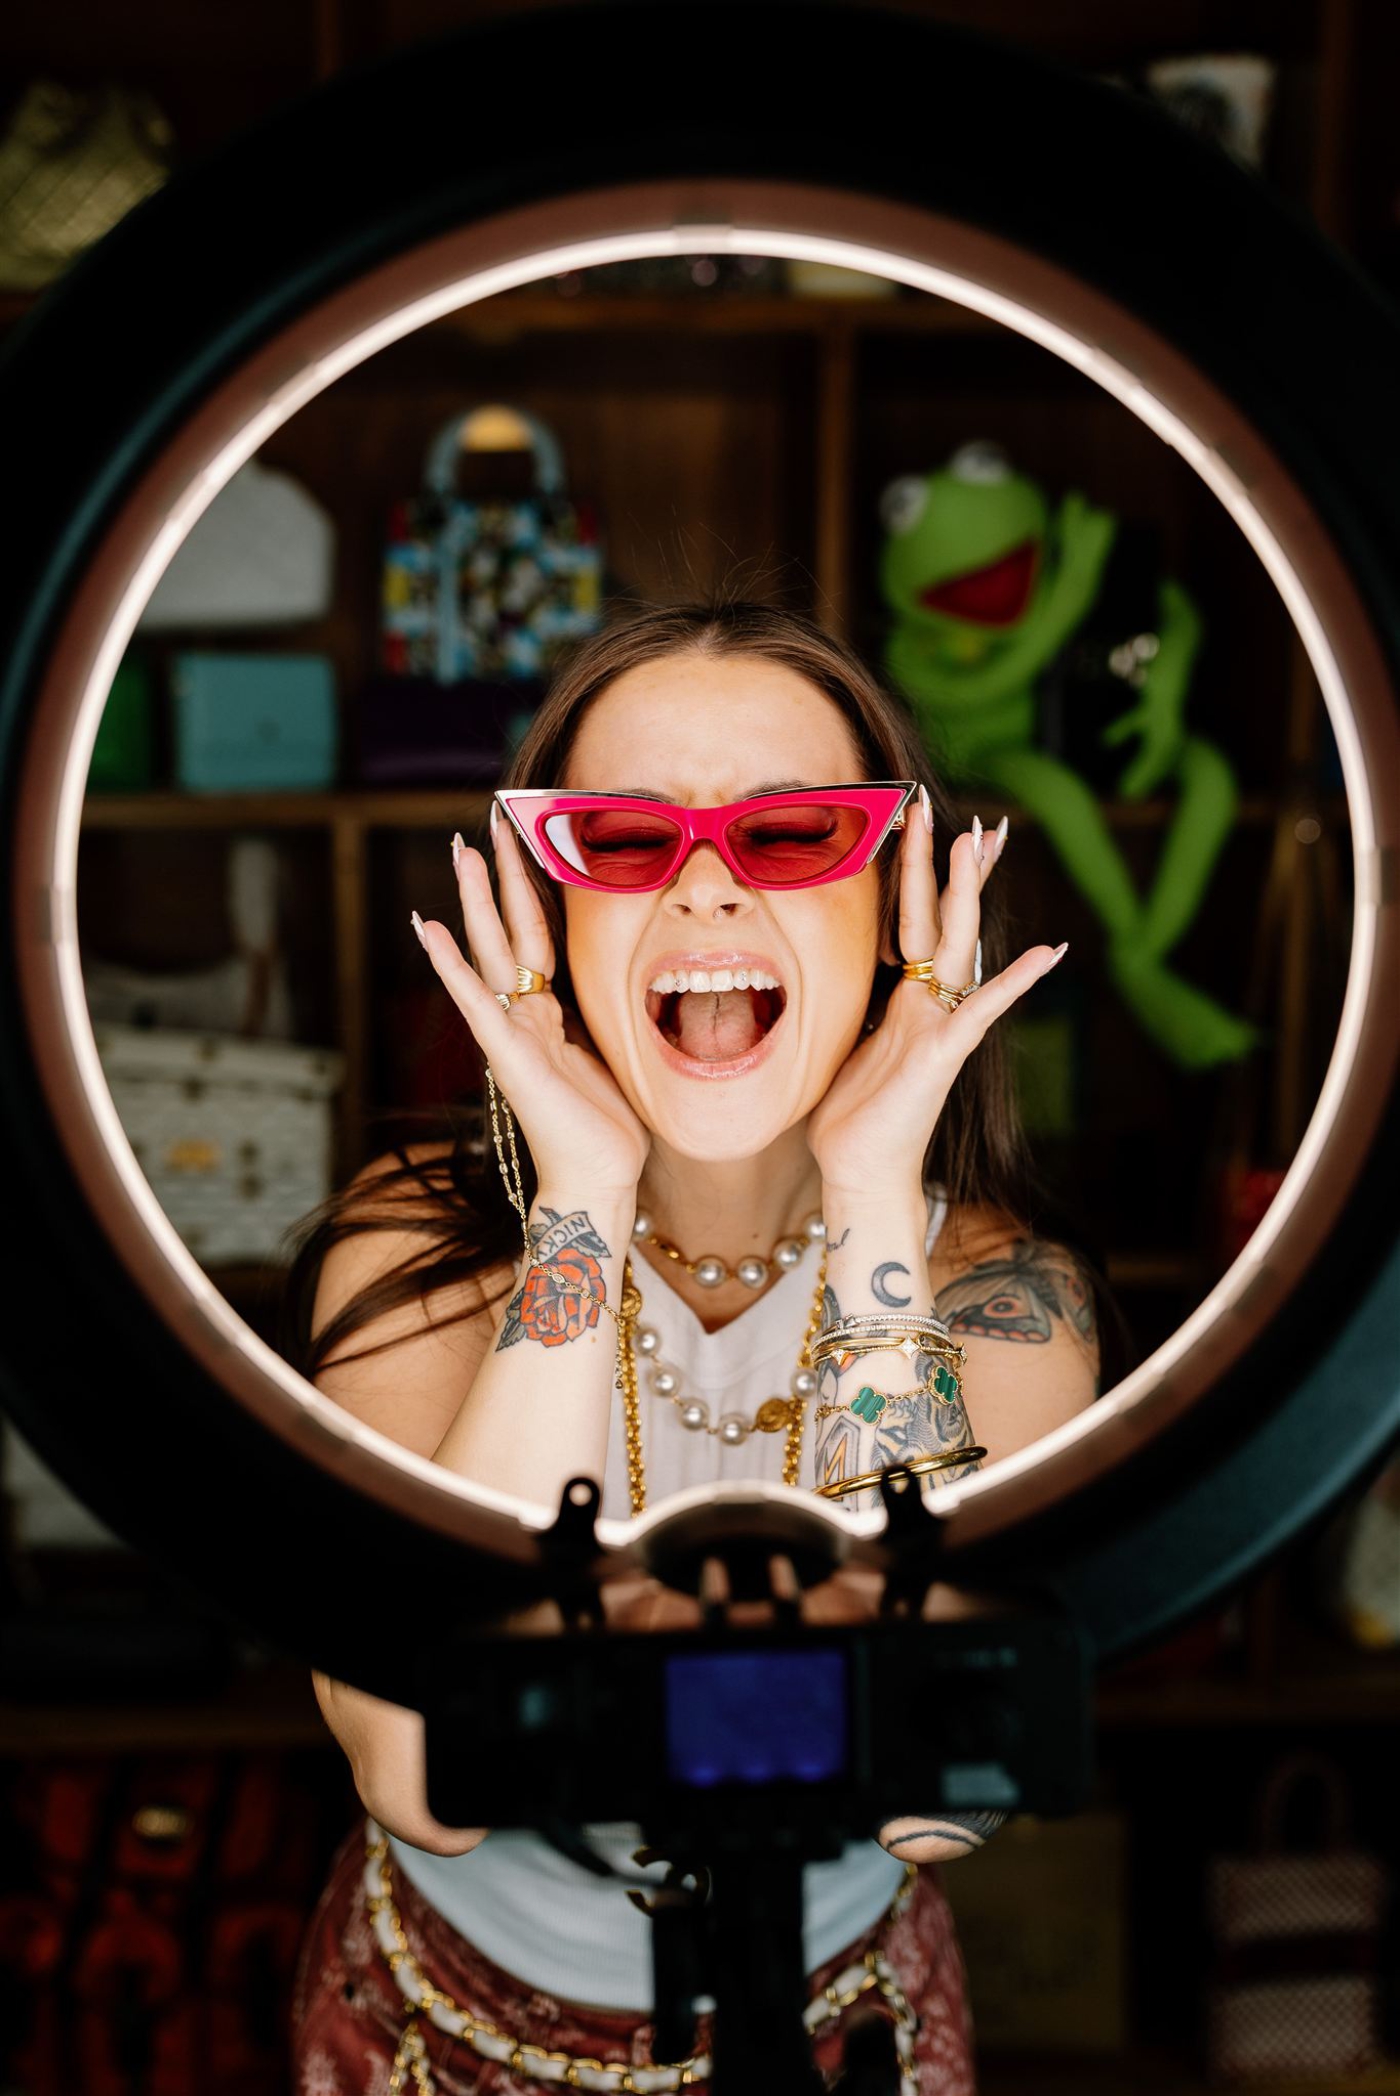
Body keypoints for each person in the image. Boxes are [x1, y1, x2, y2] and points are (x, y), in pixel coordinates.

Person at [285, 600, 1102, 2095]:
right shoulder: (408, 1251)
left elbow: (939, 1804)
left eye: (792, 835)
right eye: (623, 840)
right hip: (440, 2033)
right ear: (546, 909)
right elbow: (421, 1778)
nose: (710, 890)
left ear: (901, 893)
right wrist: (581, 1207)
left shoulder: (1003, 1295)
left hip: (852, 2030)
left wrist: (872, 1201)